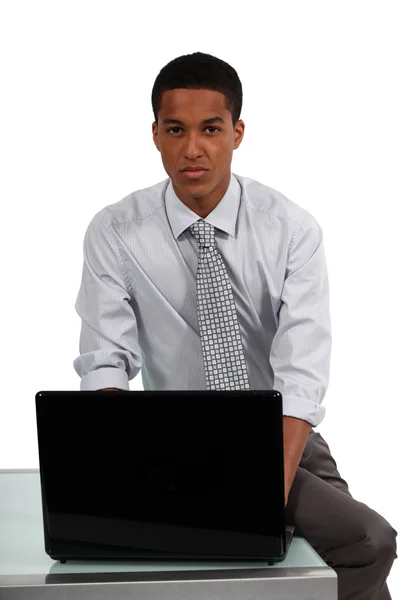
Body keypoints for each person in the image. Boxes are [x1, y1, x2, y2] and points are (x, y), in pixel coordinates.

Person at [73, 51, 397, 598]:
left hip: (281, 432)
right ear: (155, 134)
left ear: (237, 133)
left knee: (346, 550)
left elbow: (300, 376)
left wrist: (257, 496)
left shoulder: (291, 230)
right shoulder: (115, 232)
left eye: (210, 129)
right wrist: (118, 471)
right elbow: (106, 360)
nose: (192, 148)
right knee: (360, 542)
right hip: (174, 441)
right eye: (176, 130)